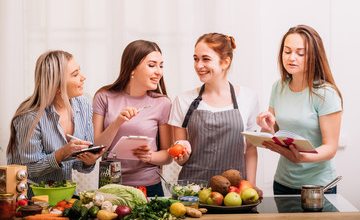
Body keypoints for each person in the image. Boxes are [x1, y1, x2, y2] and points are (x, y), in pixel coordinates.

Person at [168, 33, 262, 196]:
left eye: (205, 59)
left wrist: (251, 185)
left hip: (233, 192)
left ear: (225, 62)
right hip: (193, 192)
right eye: (196, 59)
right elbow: (181, 155)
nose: (198, 65)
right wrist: (181, 156)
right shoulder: (183, 100)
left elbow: (250, 149)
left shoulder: (248, 97)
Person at [256, 25, 343, 194]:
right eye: (287, 52)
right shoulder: (278, 87)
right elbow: (276, 132)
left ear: (314, 57)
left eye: (300, 53)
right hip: (283, 183)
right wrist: (266, 126)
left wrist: (302, 158)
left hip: (318, 186)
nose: (291, 58)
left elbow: (330, 147)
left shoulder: (326, 94)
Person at [7, 50, 104, 197]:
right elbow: (28, 169)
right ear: (57, 86)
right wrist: (63, 152)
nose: (83, 77)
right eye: (75, 74)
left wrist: (88, 161)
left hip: (65, 195)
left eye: (80, 72)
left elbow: (81, 166)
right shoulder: (30, 116)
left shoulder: (84, 106)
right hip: (32, 200)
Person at [93, 40, 172, 197]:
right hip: (111, 186)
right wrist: (117, 123)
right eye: (152, 65)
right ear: (132, 68)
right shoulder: (104, 96)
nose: (159, 72)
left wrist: (151, 156)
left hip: (149, 187)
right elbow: (96, 147)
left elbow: (168, 154)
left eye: (161, 66)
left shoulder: (162, 103)